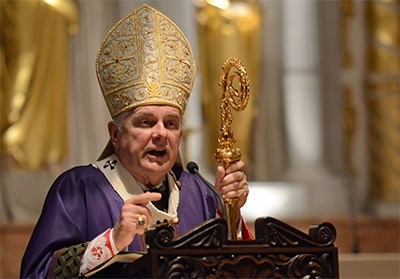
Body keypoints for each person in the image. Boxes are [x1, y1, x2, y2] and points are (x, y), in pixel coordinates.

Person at [20, 4, 252, 278]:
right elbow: (37, 272)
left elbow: (237, 268)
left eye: (171, 124)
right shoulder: (78, 189)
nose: (160, 134)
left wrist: (230, 214)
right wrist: (112, 240)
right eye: (145, 122)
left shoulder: (198, 192)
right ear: (115, 135)